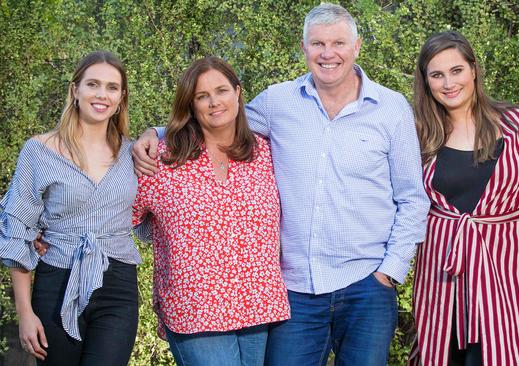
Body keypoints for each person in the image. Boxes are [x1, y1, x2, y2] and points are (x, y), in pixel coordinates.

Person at [132, 3, 429, 365]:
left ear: (357, 46)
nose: (328, 53)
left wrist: (390, 271)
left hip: (367, 283)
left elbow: (413, 199)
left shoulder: (391, 108)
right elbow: (219, 120)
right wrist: (158, 134)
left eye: (338, 42)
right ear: (304, 49)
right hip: (295, 291)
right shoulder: (278, 102)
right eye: (318, 43)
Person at [131, 56, 290, 366]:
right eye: (202, 96)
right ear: (191, 105)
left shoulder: (265, 152)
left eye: (221, 91)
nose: (214, 102)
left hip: (260, 306)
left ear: (238, 92)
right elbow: (115, 217)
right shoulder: (162, 158)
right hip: (195, 311)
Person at [408, 31, 519, 366]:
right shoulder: (418, 135)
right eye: (437, 75)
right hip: (442, 277)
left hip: (509, 273)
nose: (448, 83)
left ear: (473, 70)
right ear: (426, 83)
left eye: (456, 70)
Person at [0, 51, 140, 365]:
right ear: (75, 90)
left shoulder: (134, 153)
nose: (102, 94)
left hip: (117, 284)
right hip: (56, 280)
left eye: (112, 87)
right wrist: (24, 312)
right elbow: (18, 231)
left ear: (121, 97)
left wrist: (154, 134)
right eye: (93, 84)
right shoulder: (39, 151)